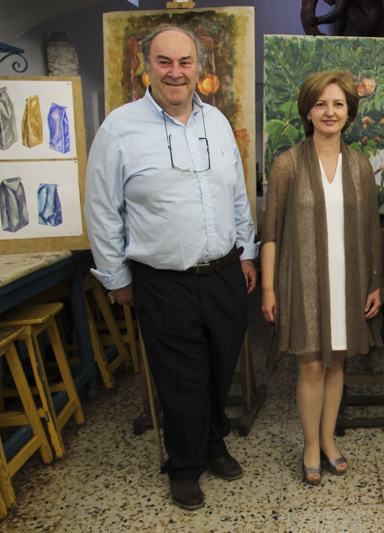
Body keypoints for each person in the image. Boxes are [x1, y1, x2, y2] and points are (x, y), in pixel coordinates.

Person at [84, 25, 257, 510]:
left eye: (185, 62)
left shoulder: (217, 123)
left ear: (199, 68)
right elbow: (101, 209)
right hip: (163, 280)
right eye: (165, 62)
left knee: (221, 365)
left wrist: (247, 252)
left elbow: (238, 194)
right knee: (181, 378)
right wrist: (116, 277)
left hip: (224, 273)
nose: (175, 72)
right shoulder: (119, 129)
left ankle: (212, 440)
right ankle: (184, 465)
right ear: (147, 67)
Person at [261, 70, 383, 486]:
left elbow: (370, 232)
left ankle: (329, 440)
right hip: (302, 282)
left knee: (335, 364)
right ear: (308, 112)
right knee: (311, 366)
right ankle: (310, 445)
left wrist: (374, 283)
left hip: (347, 281)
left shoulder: (361, 167)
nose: (329, 112)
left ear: (349, 113)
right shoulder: (287, 165)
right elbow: (272, 233)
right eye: (321, 104)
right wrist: (268, 287)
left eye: (338, 104)